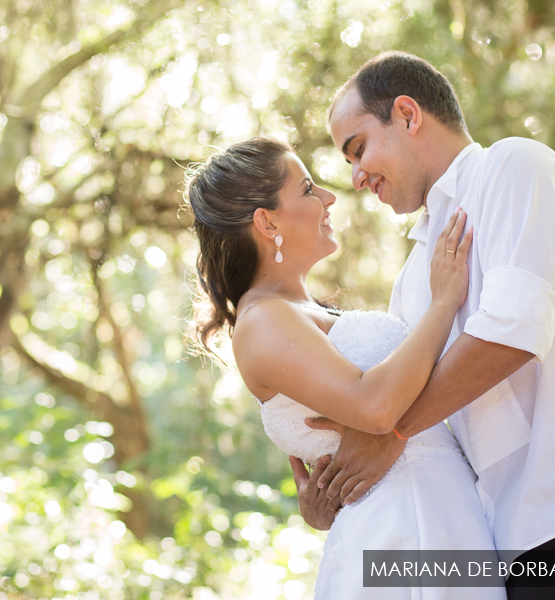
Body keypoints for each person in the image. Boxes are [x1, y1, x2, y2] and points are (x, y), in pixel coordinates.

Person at [298, 51, 555, 599]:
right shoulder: (411, 280)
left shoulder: (516, 167)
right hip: (504, 542)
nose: (356, 178)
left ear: (408, 114)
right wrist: (337, 491)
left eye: (358, 149)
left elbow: (513, 332)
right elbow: (428, 421)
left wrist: (392, 432)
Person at [186, 137, 506, 599]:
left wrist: (322, 505)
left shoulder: (296, 312)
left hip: (445, 516)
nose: (330, 198)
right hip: (404, 531)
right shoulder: (261, 321)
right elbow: (375, 407)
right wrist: (443, 303)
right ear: (267, 220)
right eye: (309, 189)